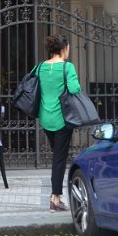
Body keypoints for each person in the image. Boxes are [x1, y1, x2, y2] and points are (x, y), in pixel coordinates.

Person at [37, 33, 81, 212]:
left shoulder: (40, 67)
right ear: (64, 49)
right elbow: (75, 89)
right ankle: (55, 198)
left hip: (45, 117)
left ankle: (56, 197)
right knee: (59, 159)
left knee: (57, 155)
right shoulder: (67, 67)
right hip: (62, 119)